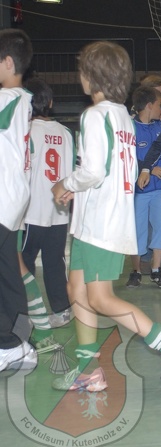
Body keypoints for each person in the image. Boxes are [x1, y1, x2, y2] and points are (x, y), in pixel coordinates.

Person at [51, 41, 161, 393]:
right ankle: (89, 371)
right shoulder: (122, 118)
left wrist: (65, 184)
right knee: (77, 289)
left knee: (99, 297)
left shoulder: (95, 115)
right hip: (96, 218)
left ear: (90, 76)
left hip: (101, 222)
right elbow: (111, 170)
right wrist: (79, 189)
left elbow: (93, 171)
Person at [22, 78, 74, 332]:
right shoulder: (66, 133)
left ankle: (23, 312)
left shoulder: (26, 131)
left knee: (23, 263)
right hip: (59, 211)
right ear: (51, 103)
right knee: (55, 261)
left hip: (30, 211)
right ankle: (62, 310)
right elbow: (72, 173)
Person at [0, 29, 37, 372]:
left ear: (8, 63)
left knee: (8, 271)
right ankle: (20, 342)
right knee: (9, 271)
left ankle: (10, 343)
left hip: (4, 196)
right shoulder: (23, 99)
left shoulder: (7, 98)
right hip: (13, 198)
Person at [128, 85, 161, 288]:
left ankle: (156, 270)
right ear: (148, 106)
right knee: (137, 230)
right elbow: (127, 159)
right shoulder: (130, 128)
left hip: (159, 189)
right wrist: (148, 169)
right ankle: (135, 271)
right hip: (138, 191)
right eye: (158, 105)